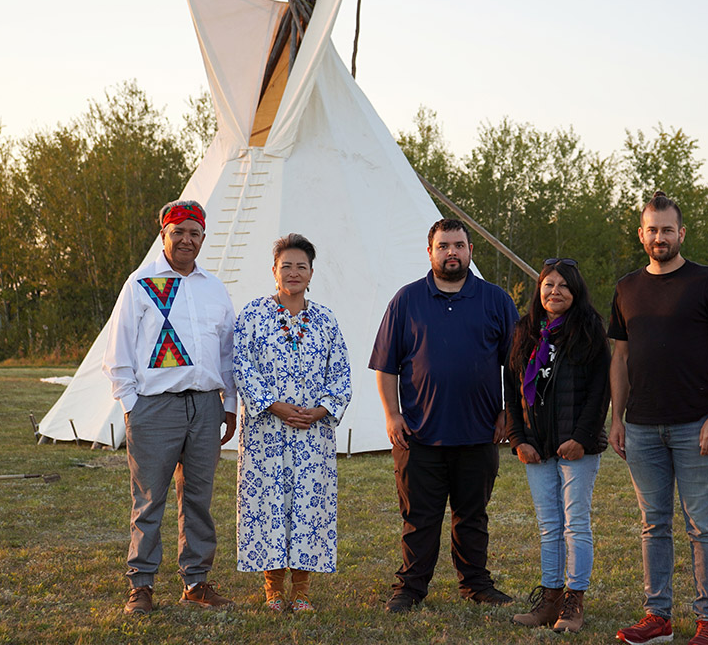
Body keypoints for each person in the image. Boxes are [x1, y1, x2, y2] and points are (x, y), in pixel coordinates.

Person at [608, 191, 708, 645]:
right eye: (653, 230)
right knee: (653, 523)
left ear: (681, 233)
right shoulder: (626, 288)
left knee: (701, 523)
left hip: (694, 424)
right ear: (641, 234)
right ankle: (657, 617)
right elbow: (620, 360)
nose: (660, 237)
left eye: (668, 230)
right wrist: (617, 418)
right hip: (642, 427)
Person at [370, 218, 519, 613]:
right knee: (419, 518)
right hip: (419, 433)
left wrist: (509, 411)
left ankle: (476, 584)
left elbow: (517, 365)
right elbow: (386, 365)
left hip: (479, 431)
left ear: (470, 251)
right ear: (430, 252)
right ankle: (411, 588)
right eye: (443, 246)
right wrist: (392, 415)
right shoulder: (407, 300)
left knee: (472, 516)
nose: (451, 252)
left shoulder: (496, 300)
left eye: (459, 245)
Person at [102, 199, 238, 615]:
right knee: (149, 499)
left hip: (204, 406)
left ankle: (196, 581)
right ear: (163, 235)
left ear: (202, 238)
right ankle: (141, 585)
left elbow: (228, 353)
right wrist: (131, 405)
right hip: (154, 408)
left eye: (194, 232)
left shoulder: (214, 288)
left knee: (197, 497)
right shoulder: (140, 284)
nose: (186, 239)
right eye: (178, 231)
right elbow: (118, 351)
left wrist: (228, 405)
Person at [232, 233, 352, 613]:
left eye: (302, 266)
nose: (294, 272)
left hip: (312, 433)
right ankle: (273, 590)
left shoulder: (325, 319)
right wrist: (273, 405)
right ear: (274, 271)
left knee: (308, 505)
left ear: (312, 273)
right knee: (267, 504)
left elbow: (341, 373)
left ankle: (301, 592)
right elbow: (241, 365)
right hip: (266, 430)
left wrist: (321, 410)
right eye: (287, 266)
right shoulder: (252, 316)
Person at [504, 258, 611, 633]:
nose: (555, 291)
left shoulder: (589, 331)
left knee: (575, 524)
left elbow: (600, 391)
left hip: (575, 446)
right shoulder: (526, 331)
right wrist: (518, 439)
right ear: (539, 290)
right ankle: (549, 601)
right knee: (549, 526)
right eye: (548, 284)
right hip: (536, 445)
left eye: (563, 285)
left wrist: (581, 438)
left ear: (576, 290)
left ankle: (573, 602)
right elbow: (512, 389)